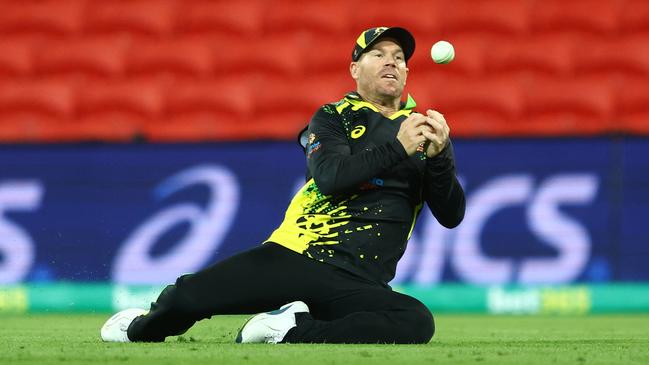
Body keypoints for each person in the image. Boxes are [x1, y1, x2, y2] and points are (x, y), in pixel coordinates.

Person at [100, 26, 465, 345]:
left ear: (407, 71)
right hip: (298, 257)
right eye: (378, 54)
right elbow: (331, 177)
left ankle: (289, 331)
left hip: (358, 282)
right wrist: (398, 147)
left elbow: (451, 215)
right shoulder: (334, 116)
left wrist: (440, 157)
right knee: (186, 299)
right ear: (355, 69)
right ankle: (136, 328)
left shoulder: (421, 132)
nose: (391, 62)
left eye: (399, 57)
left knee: (416, 321)